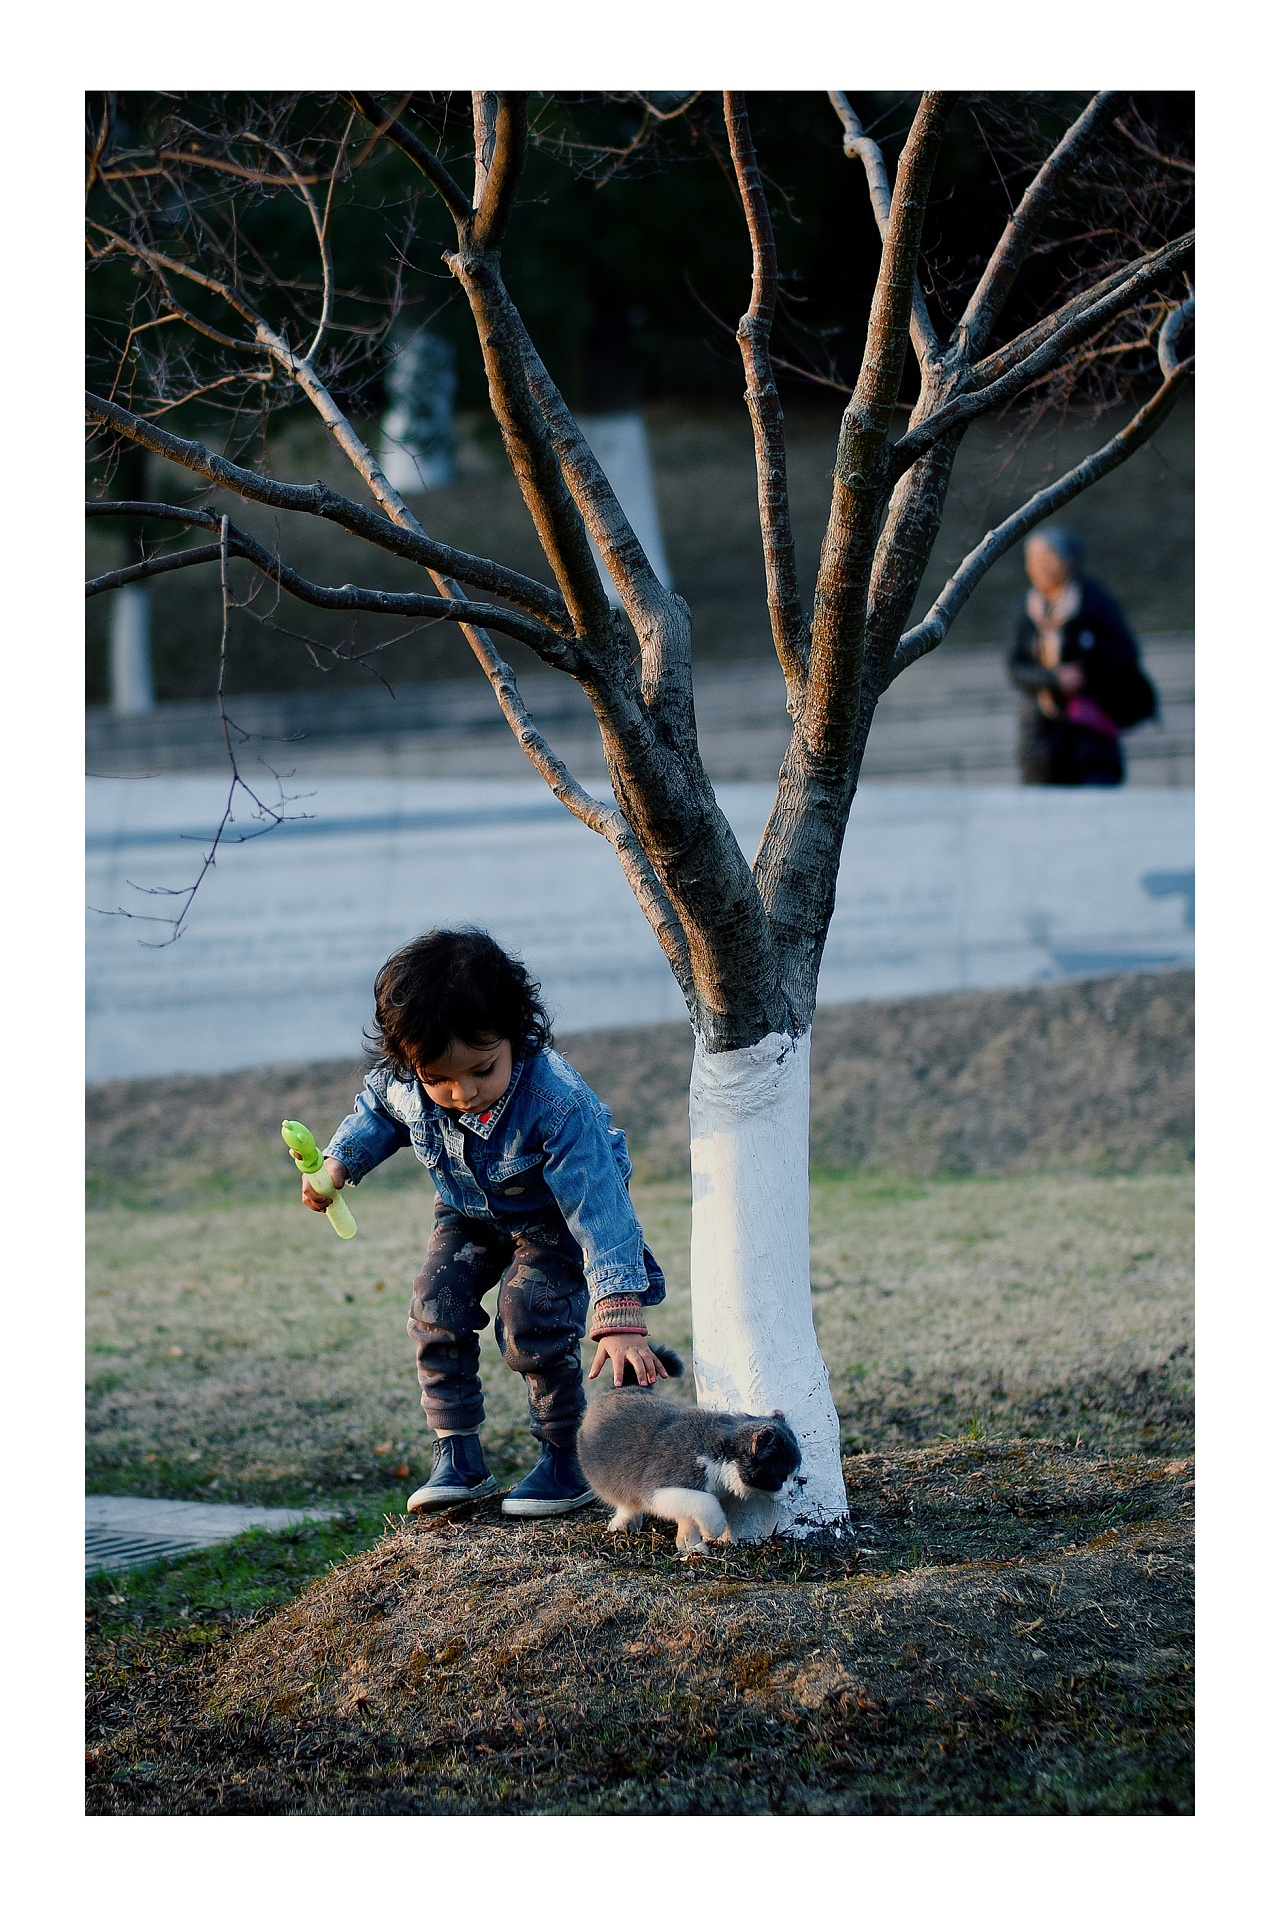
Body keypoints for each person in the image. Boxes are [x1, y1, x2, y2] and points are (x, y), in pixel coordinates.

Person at [302, 928, 670, 1519]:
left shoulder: (555, 1103)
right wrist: (339, 1165)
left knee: (530, 1317)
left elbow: (601, 1210)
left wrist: (619, 1315)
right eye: (437, 1079)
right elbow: (377, 1111)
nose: (461, 1092)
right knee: (435, 1306)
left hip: (552, 1219)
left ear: (516, 1034)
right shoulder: (408, 1079)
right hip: (468, 1211)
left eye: (481, 1069)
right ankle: (457, 1456)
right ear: (408, 1061)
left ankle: (566, 1460)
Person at [1006, 526, 1153, 786]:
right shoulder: (1026, 609)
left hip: (1091, 729)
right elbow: (1016, 665)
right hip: (1041, 735)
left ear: (1070, 561)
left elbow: (1124, 654)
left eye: (1046, 559)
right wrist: (1051, 679)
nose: (1037, 567)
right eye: (1032, 560)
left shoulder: (1095, 602)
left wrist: (1084, 675)